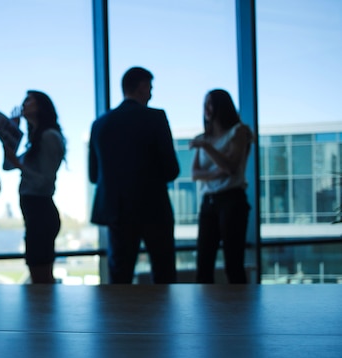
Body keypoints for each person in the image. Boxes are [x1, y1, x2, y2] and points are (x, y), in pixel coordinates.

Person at [89, 67, 180, 284]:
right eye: (150, 88)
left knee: (120, 279)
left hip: (117, 211)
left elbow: (94, 175)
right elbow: (171, 169)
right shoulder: (156, 118)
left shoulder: (100, 124)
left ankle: (121, 319)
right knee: (163, 275)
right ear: (142, 87)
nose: (151, 94)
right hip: (154, 209)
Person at [189, 89, 253, 284]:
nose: (207, 109)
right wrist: (217, 172)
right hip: (208, 202)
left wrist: (207, 148)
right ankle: (204, 313)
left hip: (231, 200)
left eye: (211, 104)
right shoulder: (203, 137)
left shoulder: (239, 131)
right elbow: (194, 174)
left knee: (233, 263)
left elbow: (231, 167)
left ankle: (238, 312)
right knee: (203, 263)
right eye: (205, 104)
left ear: (222, 106)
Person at [3, 91, 66, 284]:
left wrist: (21, 165)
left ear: (41, 106)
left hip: (40, 213)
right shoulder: (36, 140)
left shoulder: (48, 136)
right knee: (40, 277)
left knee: (41, 278)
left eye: (29, 100)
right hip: (35, 213)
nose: (23, 104)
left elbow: (44, 180)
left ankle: (44, 314)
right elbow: (7, 165)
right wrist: (12, 132)